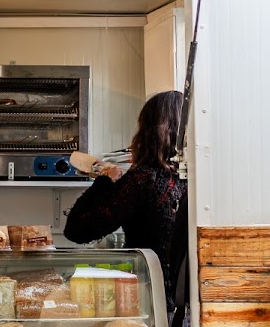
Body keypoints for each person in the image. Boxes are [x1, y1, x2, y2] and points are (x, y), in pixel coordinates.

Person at [63, 90, 187, 311]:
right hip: (188, 309)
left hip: (145, 300)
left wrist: (103, 181)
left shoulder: (143, 180)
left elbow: (77, 229)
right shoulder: (192, 180)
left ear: (147, 132)